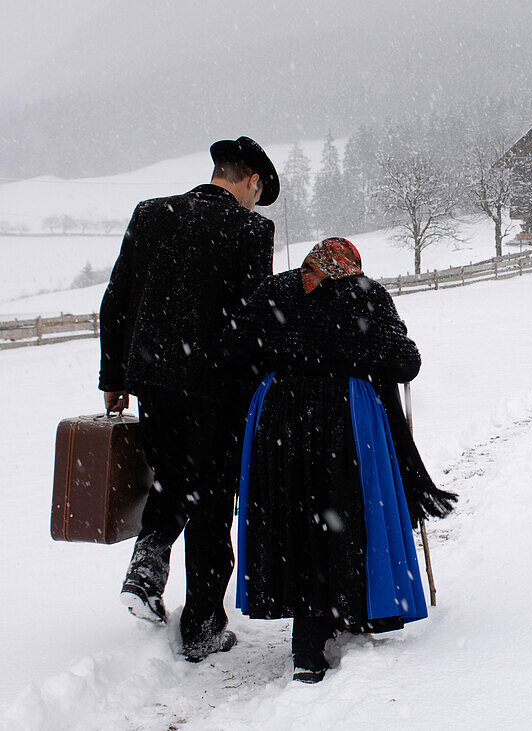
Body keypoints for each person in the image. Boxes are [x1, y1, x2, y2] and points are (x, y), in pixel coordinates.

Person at [226, 237, 456, 683]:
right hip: (343, 414)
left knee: (295, 516)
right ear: (351, 265)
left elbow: (236, 347)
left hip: (278, 416)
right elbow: (405, 363)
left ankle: (309, 638)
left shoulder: (275, 290)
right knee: (346, 513)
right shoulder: (365, 293)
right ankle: (349, 613)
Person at [98, 136, 279, 661]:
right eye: (257, 193)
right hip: (214, 387)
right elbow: (251, 321)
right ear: (252, 181)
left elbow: (117, 299)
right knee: (212, 502)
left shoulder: (152, 214)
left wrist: (115, 376)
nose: (255, 202)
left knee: (172, 478)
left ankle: (146, 569)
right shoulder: (250, 229)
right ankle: (202, 626)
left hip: (152, 379)